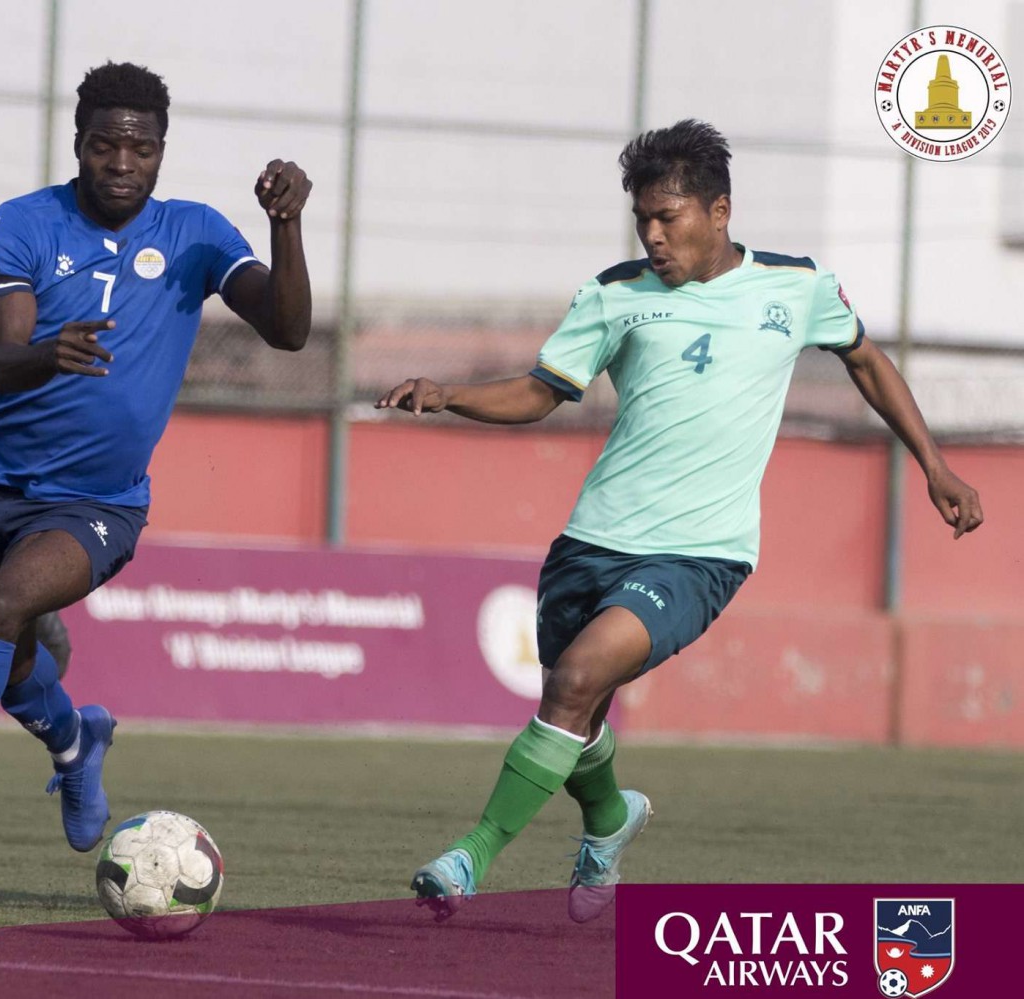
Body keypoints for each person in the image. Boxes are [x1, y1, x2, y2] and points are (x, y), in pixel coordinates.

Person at [379, 120, 984, 924]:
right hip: (590, 540)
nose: (653, 236)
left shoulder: (797, 287)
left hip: (699, 555)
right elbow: (540, 391)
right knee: (575, 707)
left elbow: (867, 360)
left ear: (719, 211)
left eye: (668, 217)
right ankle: (608, 818)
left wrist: (934, 464)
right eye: (643, 220)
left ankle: (470, 856)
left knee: (576, 680)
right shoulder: (614, 295)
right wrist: (449, 394)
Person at [0, 61, 312, 891]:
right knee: (11, 662)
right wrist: (46, 353)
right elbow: (0, 358)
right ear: (79, 143)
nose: (122, 164)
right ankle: (75, 741)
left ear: (162, 151)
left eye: (141, 149)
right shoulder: (21, 224)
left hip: (99, 503)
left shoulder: (197, 234)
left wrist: (287, 226)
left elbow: (290, 330)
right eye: (104, 146)